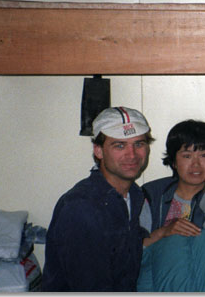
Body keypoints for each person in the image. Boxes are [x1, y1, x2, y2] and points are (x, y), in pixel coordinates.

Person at [42, 106, 154, 291]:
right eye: (119, 145)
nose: (132, 155)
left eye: (139, 144)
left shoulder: (134, 195)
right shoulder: (81, 207)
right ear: (99, 151)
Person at [140, 119, 205, 247]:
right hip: (156, 265)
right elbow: (135, 247)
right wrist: (163, 232)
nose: (196, 164)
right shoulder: (152, 193)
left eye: (204, 155)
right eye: (187, 156)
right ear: (174, 161)